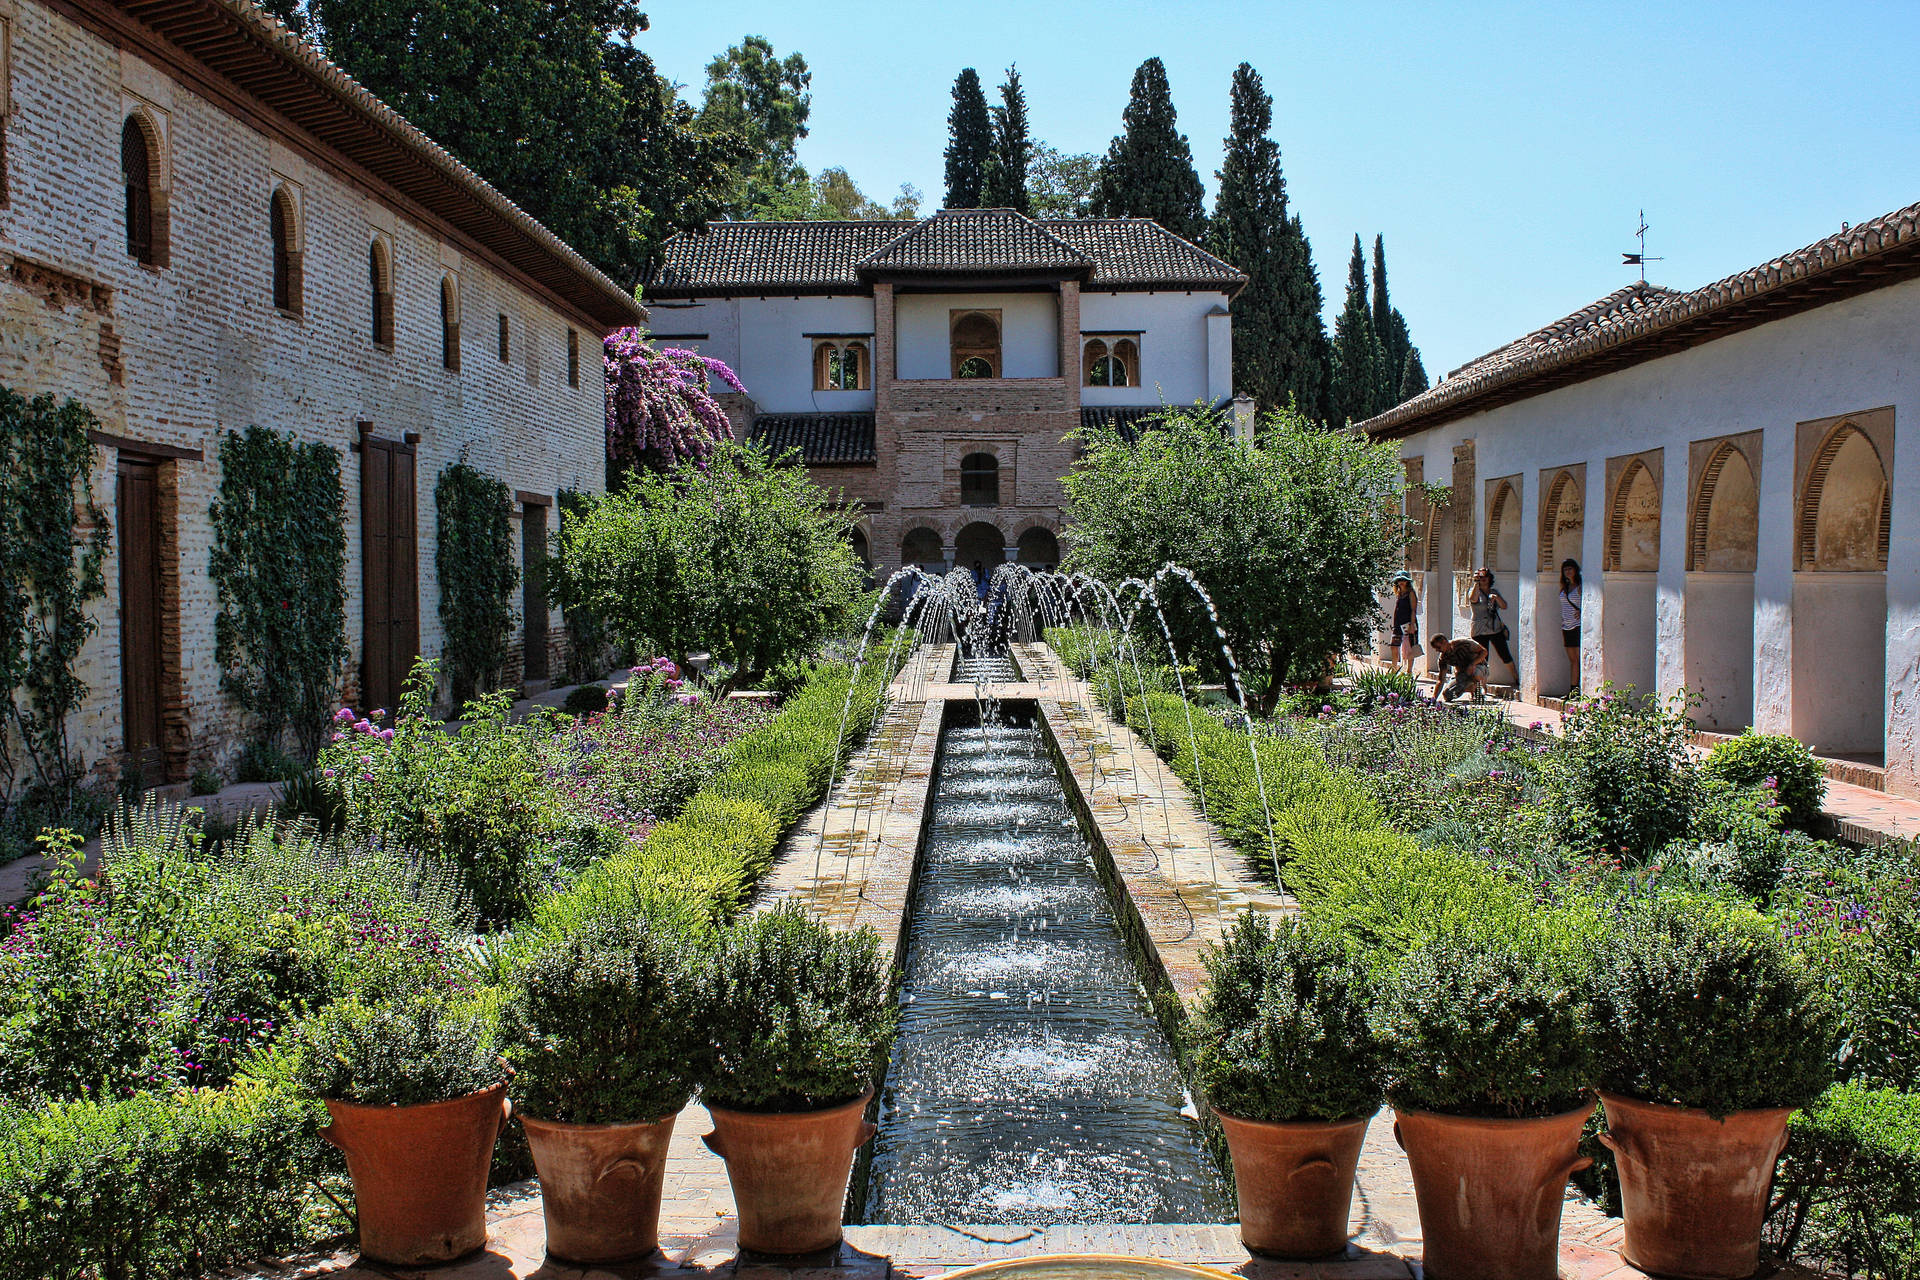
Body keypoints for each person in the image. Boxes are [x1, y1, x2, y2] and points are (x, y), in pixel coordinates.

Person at [1468, 568, 1514, 683]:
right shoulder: (1475, 591)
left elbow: (1504, 606)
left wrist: (1496, 598)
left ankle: (1517, 679)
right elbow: (1473, 599)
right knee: (1481, 658)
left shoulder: (1494, 592)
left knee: (1505, 654)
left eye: (1485, 577)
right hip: (1480, 630)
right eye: (1481, 577)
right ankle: (1480, 684)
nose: (1483, 579)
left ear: (1490, 579)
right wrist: (1476, 583)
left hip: (1495, 628)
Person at [1428, 633, 1489, 702]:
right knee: (1447, 694)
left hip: (1479, 667)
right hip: (1462, 675)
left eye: (1438, 647)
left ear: (1444, 642)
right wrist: (1434, 698)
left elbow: (1484, 651)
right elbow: (1441, 679)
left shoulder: (1463, 643)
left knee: (1475, 673)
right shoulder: (1443, 658)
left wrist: (1473, 664)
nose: (1437, 650)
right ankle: (1472, 688)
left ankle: (1478, 690)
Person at [1558, 559, 1583, 697]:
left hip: (1577, 625)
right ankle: (1573, 690)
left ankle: (1577, 689)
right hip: (1566, 626)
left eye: (1570, 569)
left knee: (1578, 659)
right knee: (1572, 659)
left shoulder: (1580, 586)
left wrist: (1582, 611)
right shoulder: (1565, 588)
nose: (1568, 571)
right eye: (1565, 569)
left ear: (1575, 570)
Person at [1388, 571, 1420, 675]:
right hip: (1398, 623)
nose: (1401, 582)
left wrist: (1412, 623)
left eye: (1403, 580)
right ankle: (1394, 668)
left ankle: (1409, 671)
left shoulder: (1410, 593)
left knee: (1410, 647)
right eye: (1399, 580)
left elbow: (1413, 609)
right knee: (1394, 646)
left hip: (1408, 623)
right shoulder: (1399, 593)